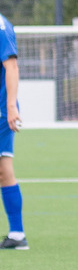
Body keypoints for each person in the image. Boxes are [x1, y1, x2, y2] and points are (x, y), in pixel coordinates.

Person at [0, 12, 27, 249]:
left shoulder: (0, 25)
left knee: (4, 170)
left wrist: (10, 107)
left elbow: (11, 66)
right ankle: (17, 235)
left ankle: (17, 234)